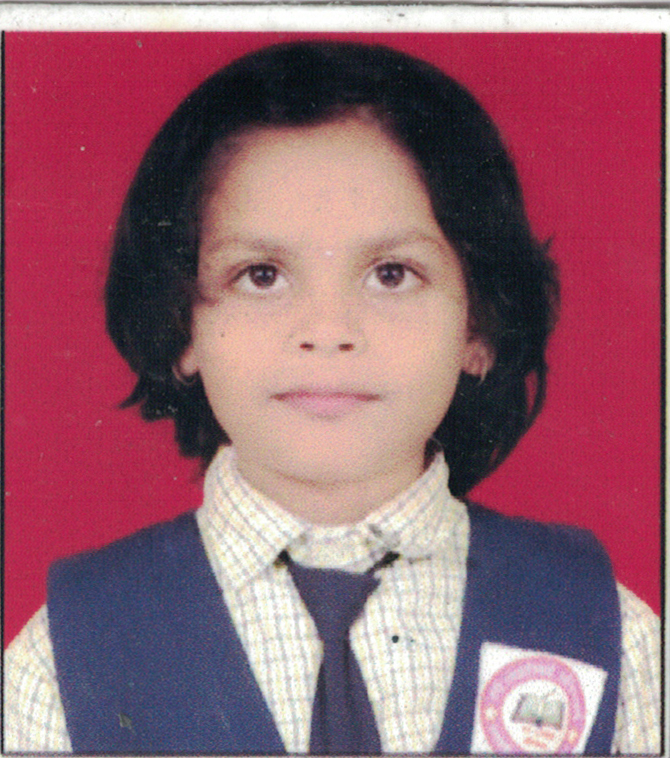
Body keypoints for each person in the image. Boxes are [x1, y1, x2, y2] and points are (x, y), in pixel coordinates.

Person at [4, 40, 659, 755]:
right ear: (182, 324)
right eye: (261, 275)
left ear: (480, 326)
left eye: (391, 274)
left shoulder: (609, 634)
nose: (327, 331)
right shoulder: (62, 659)